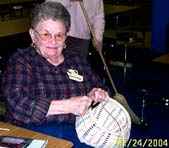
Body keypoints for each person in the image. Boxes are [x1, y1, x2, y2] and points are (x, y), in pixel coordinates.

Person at [2, 1, 109, 147]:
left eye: (59, 35)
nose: (53, 41)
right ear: (33, 35)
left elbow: (100, 86)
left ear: (66, 36)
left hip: (79, 135)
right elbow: (17, 104)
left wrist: (97, 94)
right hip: (33, 136)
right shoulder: (22, 60)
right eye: (46, 34)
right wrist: (68, 106)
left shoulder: (76, 60)